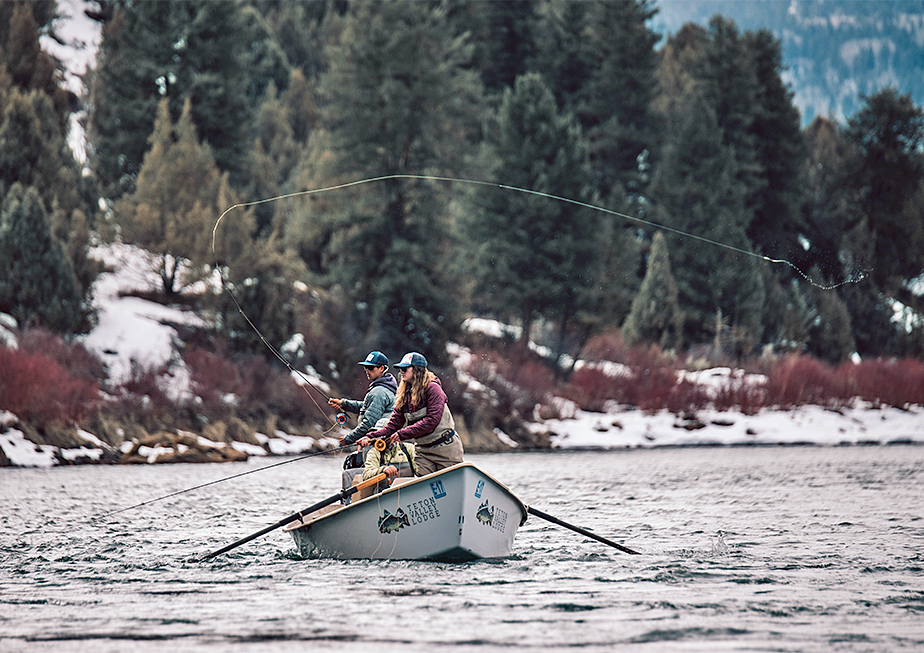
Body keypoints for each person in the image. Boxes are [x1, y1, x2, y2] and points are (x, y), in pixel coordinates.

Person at [362, 351, 463, 476]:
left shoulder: (433, 389)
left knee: (451, 484)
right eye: (400, 369)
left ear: (417, 370)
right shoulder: (403, 393)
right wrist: (371, 436)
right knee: (423, 487)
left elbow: (432, 421)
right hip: (423, 452)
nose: (401, 372)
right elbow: (394, 424)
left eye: (404, 368)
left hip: (446, 448)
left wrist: (401, 434)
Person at [329, 351, 397, 498]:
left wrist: (348, 439)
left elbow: (368, 424)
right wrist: (344, 404)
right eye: (366, 367)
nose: (367, 370)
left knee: (371, 479)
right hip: (378, 445)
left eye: (371, 368)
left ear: (382, 368)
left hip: (375, 447)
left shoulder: (378, 392)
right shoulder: (385, 387)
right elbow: (367, 407)